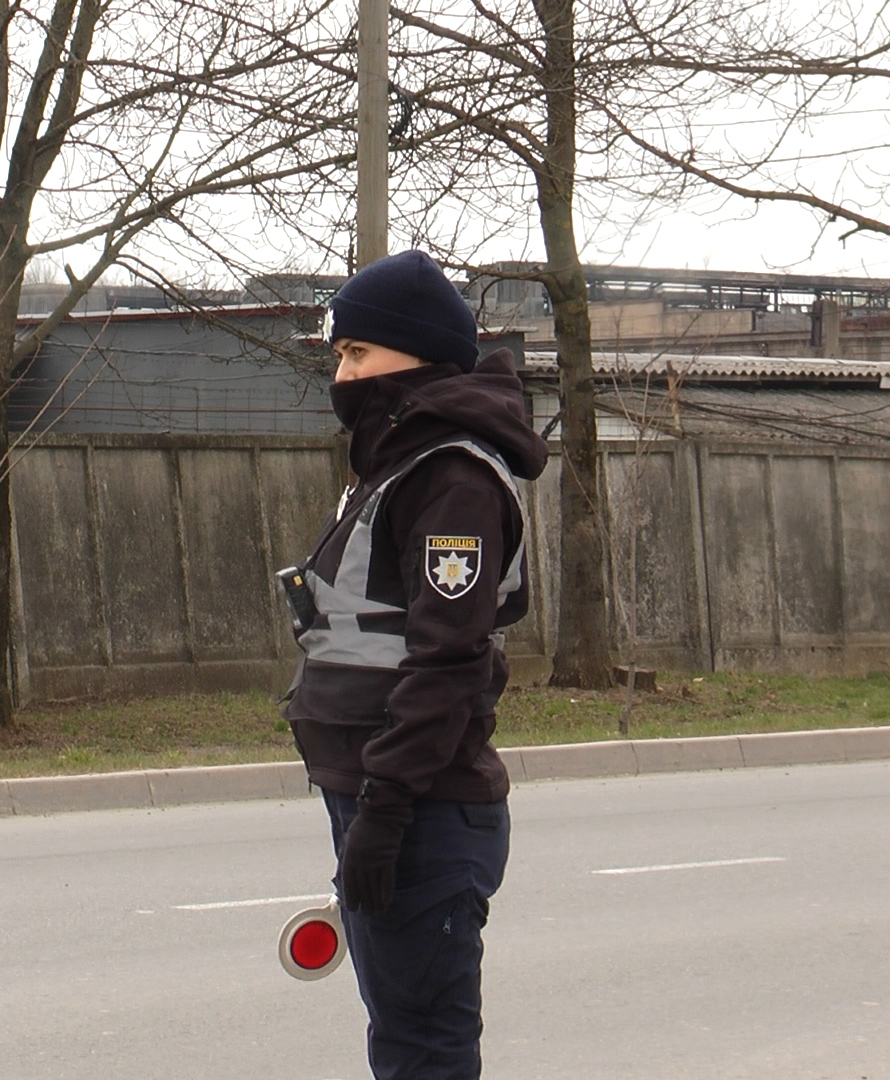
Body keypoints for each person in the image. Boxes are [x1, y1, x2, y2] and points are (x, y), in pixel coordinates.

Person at [284, 249, 548, 1079]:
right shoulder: (396, 463)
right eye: (339, 355)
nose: (344, 372)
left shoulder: (451, 480)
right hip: (380, 798)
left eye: (359, 353)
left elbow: (447, 661)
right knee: (401, 1037)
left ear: (419, 355)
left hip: (421, 810)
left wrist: (387, 811)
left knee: (424, 1048)